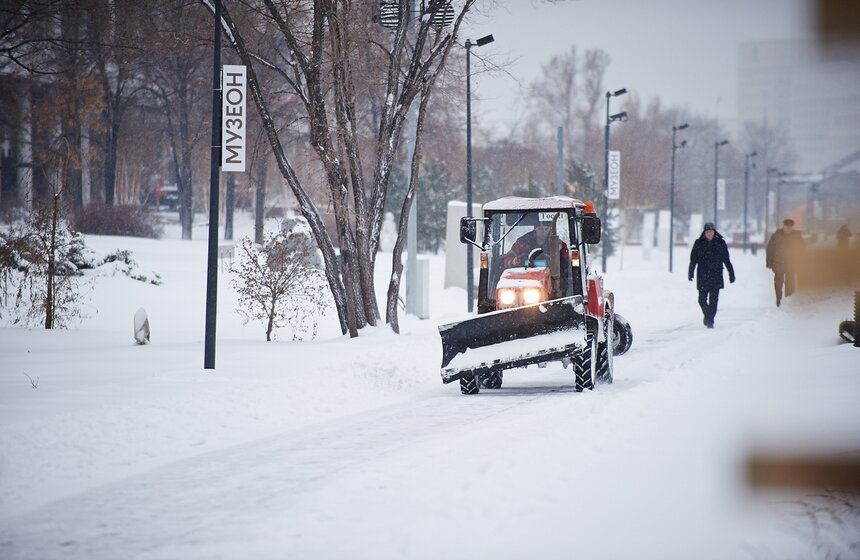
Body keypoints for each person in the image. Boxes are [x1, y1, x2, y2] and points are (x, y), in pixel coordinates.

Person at [688, 222, 735, 328]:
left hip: (716, 275)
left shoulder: (720, 243)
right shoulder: (698, 243)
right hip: (702, 275)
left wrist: (731, 273)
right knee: (701, 299)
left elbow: (726, 260)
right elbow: (693, 259)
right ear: (704, 233)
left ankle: (710, 320)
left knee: (714, 301)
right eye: (707, 232)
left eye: (711, 232)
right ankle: (708, 315)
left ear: (714, 232)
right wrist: (690, 272)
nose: (709, 233)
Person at [766, 218, 804, 306]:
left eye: (790, 227)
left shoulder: (796, 236)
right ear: (783, 226)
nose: (788, 229)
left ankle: (789, 299)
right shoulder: (776, 235)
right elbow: (770, 249)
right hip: (778, 263)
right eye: (787, 227)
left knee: (790, 281)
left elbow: (802, 249)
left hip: (792, 263)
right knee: (778, 282)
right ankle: (778, 299)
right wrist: (769, 262)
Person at [503, 223, 568, 268]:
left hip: (551, 277)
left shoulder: (557, 243)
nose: (544, 231)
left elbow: (567, 261)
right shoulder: (521, 243)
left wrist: (557, 260)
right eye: (541, 228)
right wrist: (513, 261)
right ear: (536, 229)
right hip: (524, 277)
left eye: (546, 229)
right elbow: (507, 259)